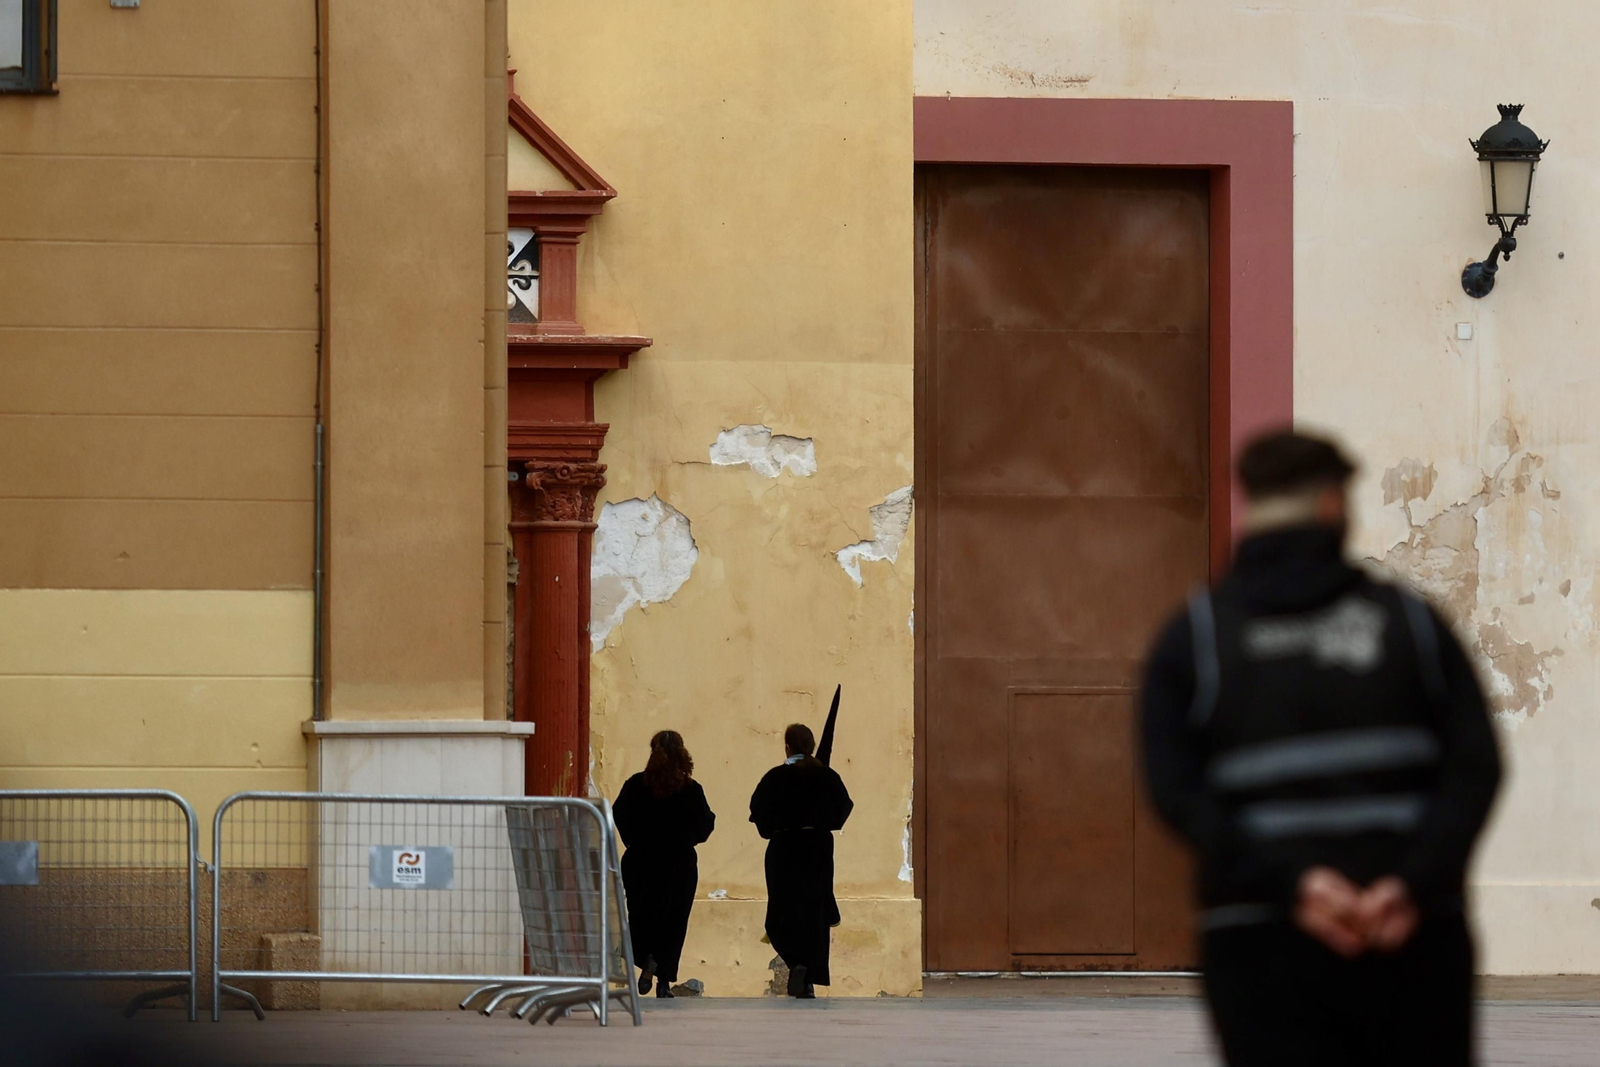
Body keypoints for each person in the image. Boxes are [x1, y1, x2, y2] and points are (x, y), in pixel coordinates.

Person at [1140, 428, 1502, 1067]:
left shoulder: (1194, 637)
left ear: (1253, 502)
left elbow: (1177, 790)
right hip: (1411, 938)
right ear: (1333, 503)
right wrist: (1407, 884)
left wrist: (1298, 888)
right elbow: (1475, 768)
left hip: (1259, 936)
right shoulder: (1411, 626)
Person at [749, 723, 853, 998]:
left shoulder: (775, 777)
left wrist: (773, 828)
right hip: (817, 849)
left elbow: (758, 810)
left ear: (787, 747)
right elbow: (843, 807)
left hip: (783, 848)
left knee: (781, 915)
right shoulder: (826, 776)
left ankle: (796, 963)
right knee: (814, 915)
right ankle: (806, 975)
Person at [613, 730, 716, 998]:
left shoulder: (635, 785)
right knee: (673, 921)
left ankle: (647, 959)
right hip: (678, 864)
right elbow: (705, 825)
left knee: (641, 916)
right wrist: (686, 839)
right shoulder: (691, 789)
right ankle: (663, 981)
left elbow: (619, 815)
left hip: (641, 863)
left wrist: (634, 842)